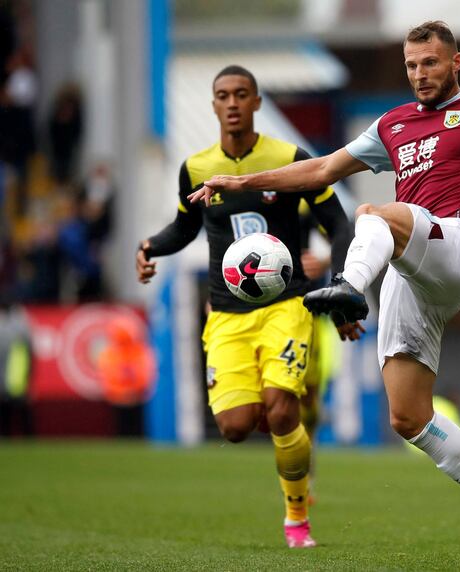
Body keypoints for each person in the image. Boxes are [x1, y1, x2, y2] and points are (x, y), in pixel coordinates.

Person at [190, 23, 460, 560]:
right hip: (410, 271)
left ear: (456, 63)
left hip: (455, 243)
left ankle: (346, 286)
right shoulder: (392, 124)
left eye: (431, 63)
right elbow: (322, 168)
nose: (420, 74)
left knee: (374, 212)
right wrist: (244, 181)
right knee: (408, 417)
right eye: (412, 65)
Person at [135, 65, 354, 549]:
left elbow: (339, 227)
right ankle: (274, 418)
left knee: (281, 414)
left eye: (241, 95)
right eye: (222, 96)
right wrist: (149, 246)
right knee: (235, 427)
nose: (232, 103)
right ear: (214, 106)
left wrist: (339, 287)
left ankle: (297, 517)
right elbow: (185, 228)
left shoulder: (290, 159)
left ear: (256, 102)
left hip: (287, 304)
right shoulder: (194, 168)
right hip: (226, 314)